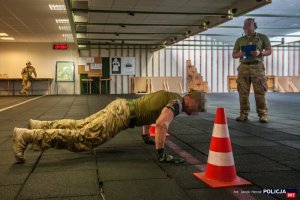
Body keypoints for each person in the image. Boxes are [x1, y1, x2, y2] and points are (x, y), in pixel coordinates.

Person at [13, 90, 205, 164]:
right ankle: (27, 136)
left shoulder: (170, 95)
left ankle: (38, 125)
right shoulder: (178, 103)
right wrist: (162, 153)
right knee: (82, 138)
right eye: (198, 107)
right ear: (192, 99)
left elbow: (151, 112)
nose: (195, 111)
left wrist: (146, 135)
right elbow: (162, 123)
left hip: (120, 106)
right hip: (122, 115)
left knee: (80, 125)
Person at [232, 18, 272, 123]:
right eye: (245, 25)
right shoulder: (239, 40)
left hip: (257, 67)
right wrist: (239, 54)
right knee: (243, 92)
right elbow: (234, 54)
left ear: (255, 26)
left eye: (249, 25)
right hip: (243, 67)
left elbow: (269, 51)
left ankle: (263, 114)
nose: (247, 27)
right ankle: (243, 114)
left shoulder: (262, 38)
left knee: (260, 92)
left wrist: (260, 53)